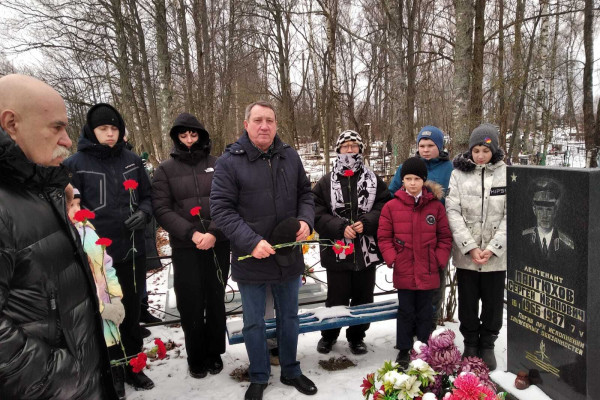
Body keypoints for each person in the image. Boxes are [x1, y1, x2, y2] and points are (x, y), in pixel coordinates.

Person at [0, 74, 117, 399]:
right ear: (11, 124)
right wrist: (59, 375)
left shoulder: (43, 188)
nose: (67, 140)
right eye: (56, 127)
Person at [210, 101, 316, 400]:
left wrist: (306, 221)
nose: (264, 126)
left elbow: (305, 194)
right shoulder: (230, 161)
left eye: (269, 120)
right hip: (251, 257)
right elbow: (220, 208)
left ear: (276, 124)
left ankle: (291, 370)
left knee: (289, 318)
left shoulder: (290, 156)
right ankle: (258, 374)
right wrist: (251, 241)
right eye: (257, 120)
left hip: (288, 256)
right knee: (254, 322)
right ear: (246, 124)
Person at [63, 103, 155, 390]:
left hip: (131, 249)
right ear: (92, 130)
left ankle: (134, 366)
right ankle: (113, 369)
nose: (110, 134)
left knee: (131, 312)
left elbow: (149, 197)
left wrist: (144, 212)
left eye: (114, 128)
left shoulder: (132, 160)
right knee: (106, 315)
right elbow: (69, 208)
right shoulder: (75, 164)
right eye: (104, 129)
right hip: (98, 257)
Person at [152, 112, 230, 378]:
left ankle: (214, 352)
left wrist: (215, 233)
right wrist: (191, 233)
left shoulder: (219, 164)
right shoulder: (165, 170)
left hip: (217, 244)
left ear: (201, 136)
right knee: (190, 300)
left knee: (215, 298)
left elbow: (230, 200)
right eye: (183, 135)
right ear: (176, 138)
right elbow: (162, 209)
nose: (188, 140)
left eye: (193, 134)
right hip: (186, 246)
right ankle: (196, 355)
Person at [312, 130, 390, 355]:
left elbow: (384, 206)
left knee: (363, 297)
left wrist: (367, 222)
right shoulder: (326, 182)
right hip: (337, 251)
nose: (349, 150)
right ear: (338, 150)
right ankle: (329, 335)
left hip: (366, 251)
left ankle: (357, 337)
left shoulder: (373, 179)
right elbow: (316, 212)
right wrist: (338, 227)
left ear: (360, 150)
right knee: (336, 297)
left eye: (353, 146)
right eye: (345, 146)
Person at [377, 157, 452, 369]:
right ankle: (403, 348)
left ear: (424, 180)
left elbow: (445, 237)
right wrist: (393, 258)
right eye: (408, 179)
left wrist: (438, 259)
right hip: (405, 269)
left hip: (428, 268)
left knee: (426, 310)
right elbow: (384, 237)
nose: (412, 183)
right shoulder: (392, 207)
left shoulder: (435, 207)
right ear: (402, 181)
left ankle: (424, 347)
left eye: (416, 178)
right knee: (406, 310)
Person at [445, 123, 507, 371]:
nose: (480, 155)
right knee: (468, 301)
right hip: (467, 254)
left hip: (495, 254)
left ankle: (488, 343)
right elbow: (453, 210)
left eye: (486, 150)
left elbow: (510, 215)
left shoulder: (506, 173)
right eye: (476, 150)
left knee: (492, 303)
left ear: (494, 151)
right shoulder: (458, 174)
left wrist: (493, 247)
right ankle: (470, 342)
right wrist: (469, 247)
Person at [389, 126, 453, 331]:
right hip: (408, 234)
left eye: (431, 146)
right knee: (410, 285)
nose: (425, 150)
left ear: (440, 146)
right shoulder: (406, 168)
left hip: (437, 235)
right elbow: (392, 194)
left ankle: (430, 324)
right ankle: (412, 326)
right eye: (422, 145)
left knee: (435, 284)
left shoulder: (450, 169)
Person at [66, 185, 127, 399]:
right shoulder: (64, 238)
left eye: (78, 205)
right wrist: (100, 308)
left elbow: (106, 265)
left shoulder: (88, 230)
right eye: (69, 205)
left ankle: (116, 377)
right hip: (84, 312)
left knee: (111, 346)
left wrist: (115, 298)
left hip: (105, 303)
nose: (75, 210)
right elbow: (72, 283)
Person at [521, 178, 574, 269]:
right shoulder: (524, 238)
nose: (544, 216)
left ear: (555, 210)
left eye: (549, 210)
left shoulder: (566, 245)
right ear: (534, 210)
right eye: (540, 209)